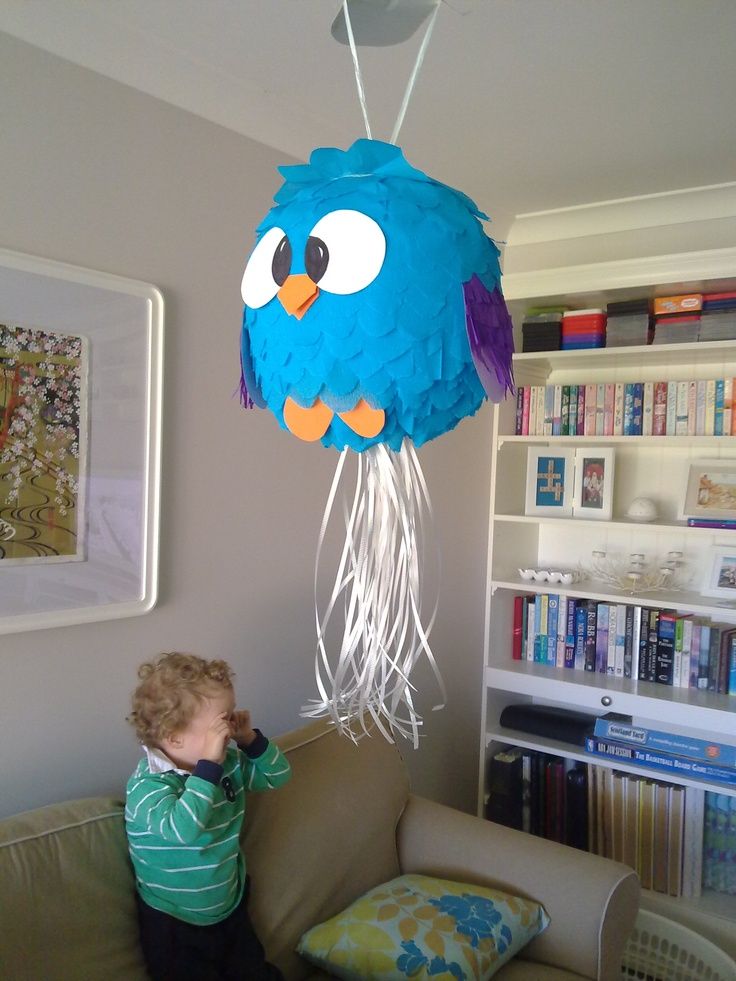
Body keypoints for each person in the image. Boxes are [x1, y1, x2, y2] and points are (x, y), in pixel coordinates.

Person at [125, 651, 291, 980]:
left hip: (228, 902)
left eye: (229, 718)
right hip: (174, 920)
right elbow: (185, 828)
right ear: (173, 737)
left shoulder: (228, 762)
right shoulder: (147, 788)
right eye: (219, 725)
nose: (227, 731)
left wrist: (250, 741)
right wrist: (208, 769)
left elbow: (278, 776)